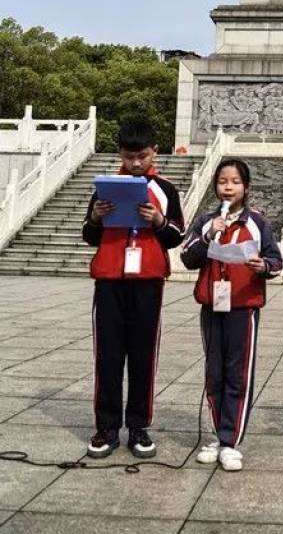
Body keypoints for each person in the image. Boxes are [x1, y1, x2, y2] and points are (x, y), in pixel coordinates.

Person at [82, 118, 185, 459]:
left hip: (148, 280)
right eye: (129, 157)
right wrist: (97, 217)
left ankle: (139, 425)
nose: (136, 163)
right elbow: (89, 235)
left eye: (142, 156)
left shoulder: (164, 189)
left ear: (155, 151)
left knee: (143, 355)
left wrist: (157, 221)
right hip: (110, 279)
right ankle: (107, 426)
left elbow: (176, 236)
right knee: (108, 356)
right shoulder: (106, 187)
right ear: (120, 155)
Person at [181, 157, 282, 472]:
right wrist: (209, 234)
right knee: (215, 372)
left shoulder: (257, 223)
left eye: (235, 182)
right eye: (223, 182)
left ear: (246, 187)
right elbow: (187, 257)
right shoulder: (205, 222)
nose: (228, 187)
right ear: (215, 186)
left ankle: (230, 440)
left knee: (238, 372)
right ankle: (215, 434)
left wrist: (261, 266)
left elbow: (275, 261)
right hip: (212, 304)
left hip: (243, 306)